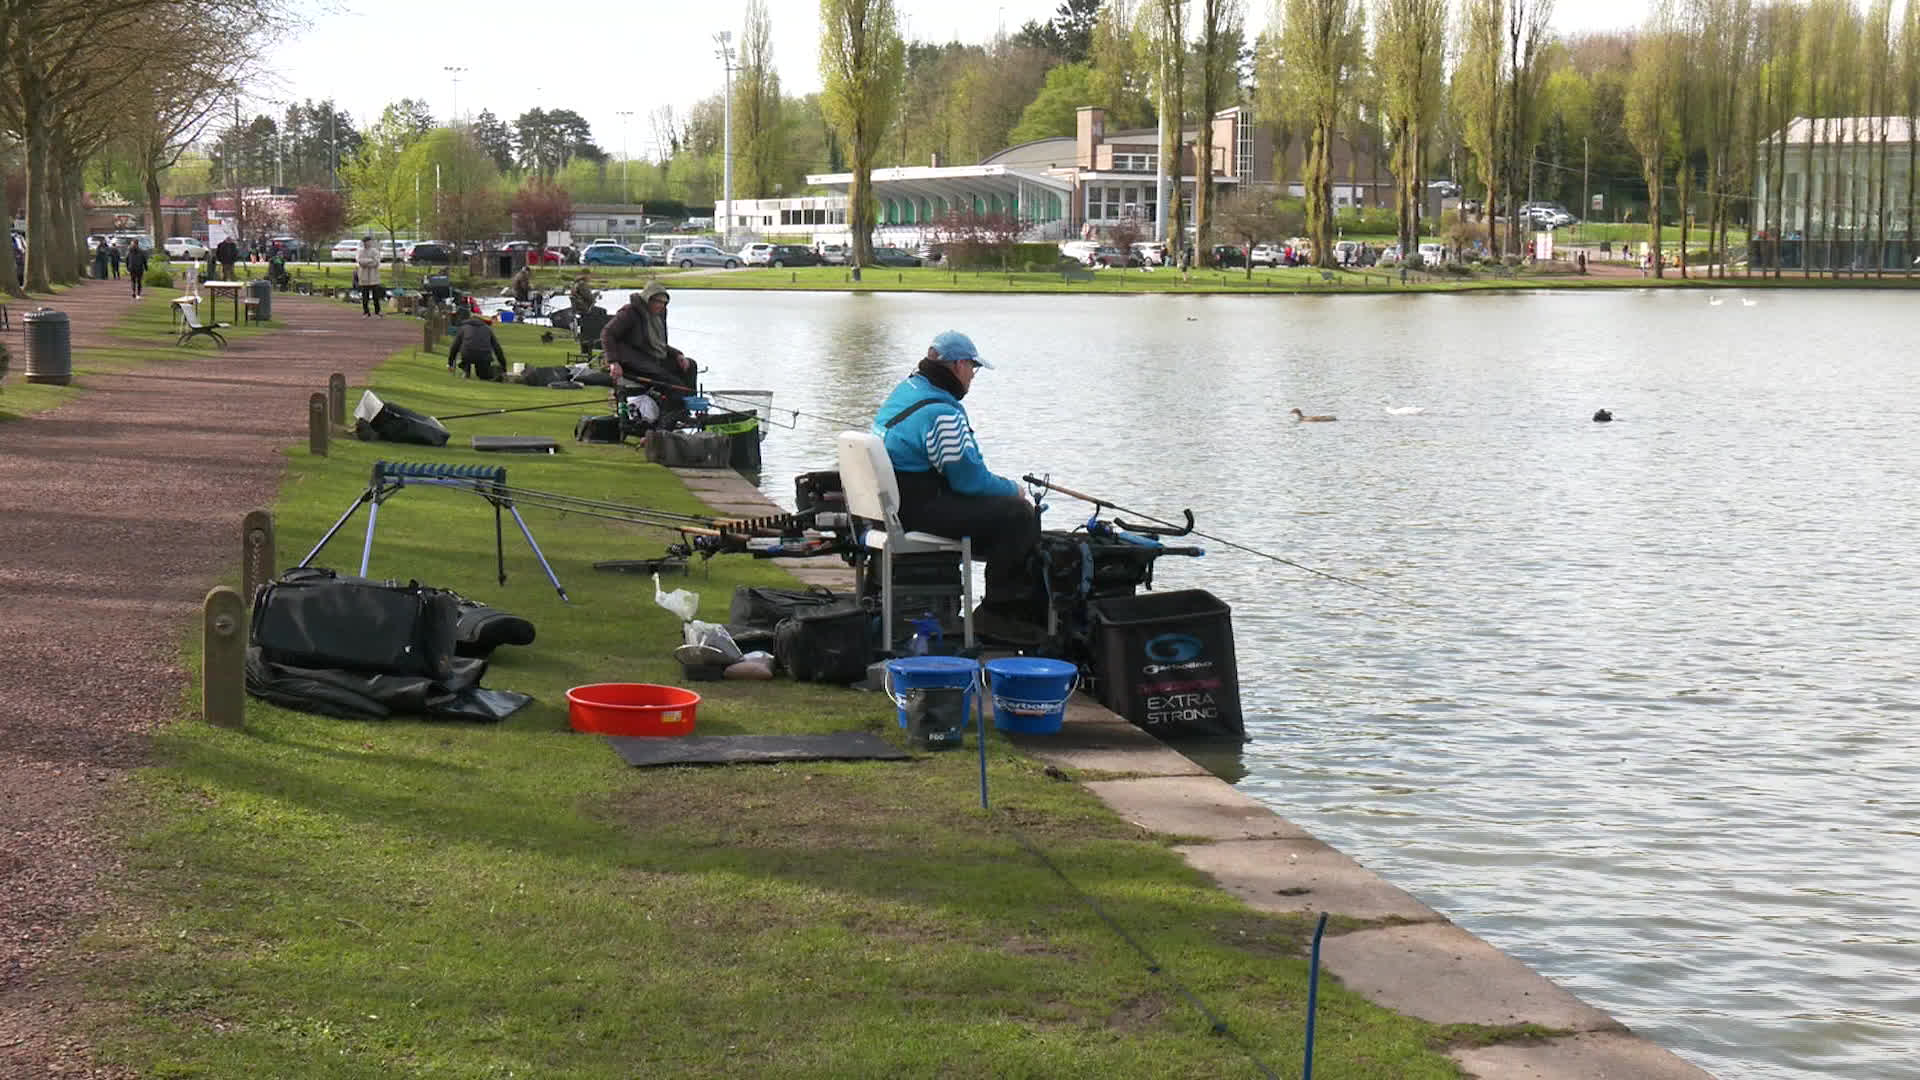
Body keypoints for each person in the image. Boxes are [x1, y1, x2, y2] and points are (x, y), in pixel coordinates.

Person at [872, 331, 1043, 642]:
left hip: (892, 506)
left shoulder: (906, 390)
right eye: (973, 369)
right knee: (1019, 516)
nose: (973, 377)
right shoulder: (942, 413)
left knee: (1006, 516)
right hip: (917, 509)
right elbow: (970, 481)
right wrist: (1013, 489)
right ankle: (997, 615)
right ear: (959, 365)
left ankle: (995, 612)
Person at [602, 281, 696, 412]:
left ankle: (689, 405)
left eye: (664, 302)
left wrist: (678, 354)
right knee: (674, 384)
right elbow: (608, 333)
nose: (660, 305)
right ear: (647, 298)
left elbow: (657, 343)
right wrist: (613, 362)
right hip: (632, 361)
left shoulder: (659, 314)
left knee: (690, 365)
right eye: (657, 301)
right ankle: (669, 419)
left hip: (651, 359)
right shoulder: (630, 312)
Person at [447, 313, 508, 381]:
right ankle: (492, 374)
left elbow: (455, 346)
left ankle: (466, 369)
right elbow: (497, 348)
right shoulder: (488, 329)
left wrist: (450, 363)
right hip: (484, 356)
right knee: (483, 375)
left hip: (467, 355)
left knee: (467, 354)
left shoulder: (463, 328)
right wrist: (503, 366)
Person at [356, 234, 384, 316]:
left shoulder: (375, 251)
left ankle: (377, 311)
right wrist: (369, 261)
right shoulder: (360, 251)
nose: (366, 244)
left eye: (368, 242)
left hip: (373, 277)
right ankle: (366, 311)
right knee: (365, 296)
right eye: (365, 242)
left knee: (376, 296)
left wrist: (367, 262)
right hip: (363, 278)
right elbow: (360, 261)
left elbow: (376, 262)